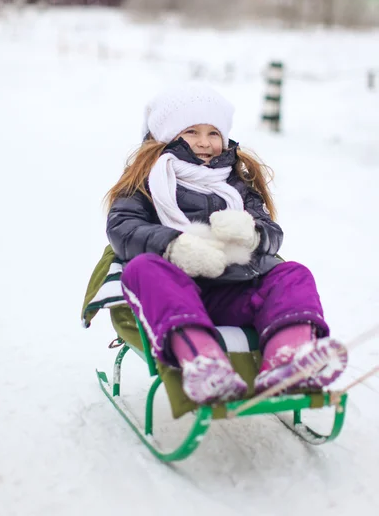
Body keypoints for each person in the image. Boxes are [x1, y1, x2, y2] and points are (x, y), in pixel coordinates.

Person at [104, 83, 347, 404]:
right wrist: (175, 246)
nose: (204, 143)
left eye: (213, 133)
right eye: (191, 131)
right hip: (173, 297)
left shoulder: (238, 183)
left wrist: (253, 234)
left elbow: (271, 231)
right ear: (167, 135)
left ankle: (289, 360)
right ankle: (205, 365)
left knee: (293, 274)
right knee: (141, 269)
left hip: (233, 291)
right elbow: (123, 227)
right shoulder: (146, 182)